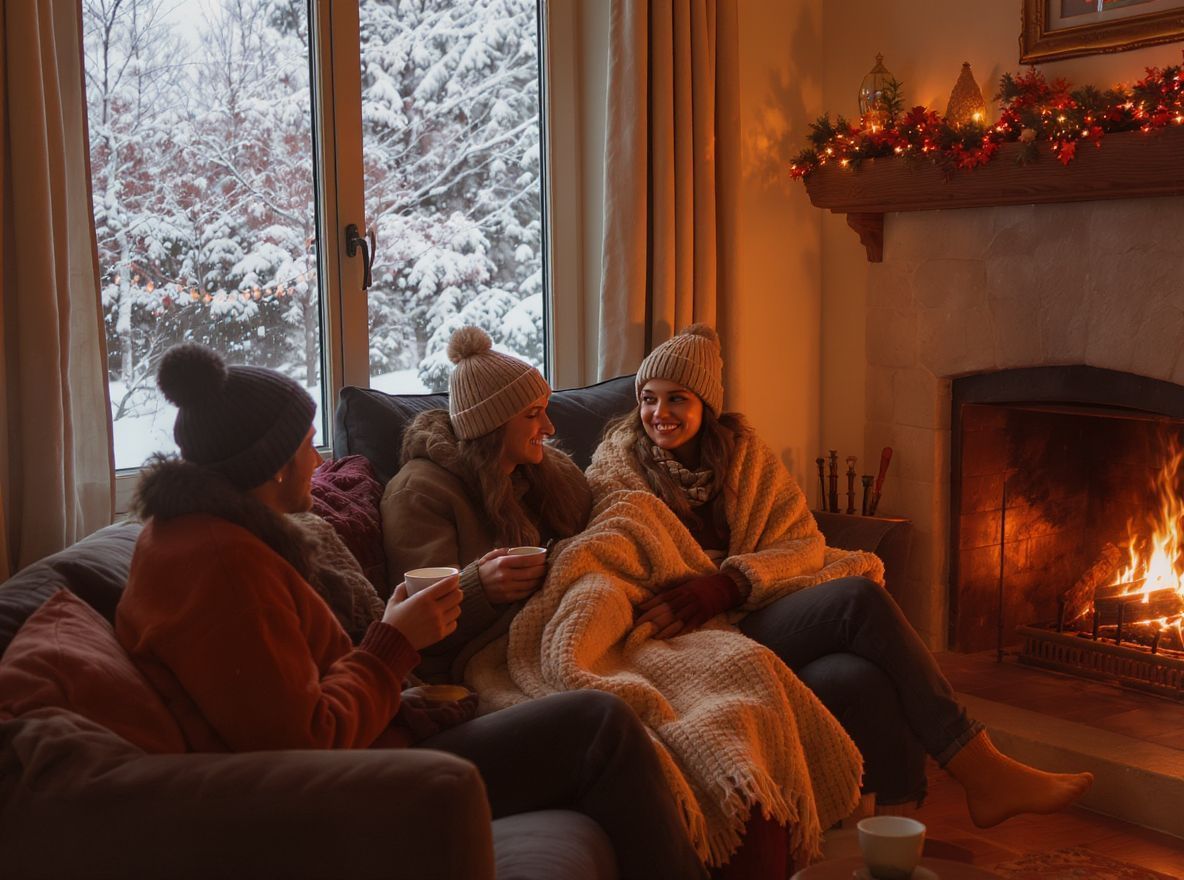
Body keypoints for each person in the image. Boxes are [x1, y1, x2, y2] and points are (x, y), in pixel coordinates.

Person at [114, 342, 705, 880]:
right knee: (598, 724)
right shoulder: (223, 567)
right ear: (271, 463)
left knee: (601, 716)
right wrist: (394, 642)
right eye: (306, 443)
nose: (319, 462)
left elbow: (303, 674)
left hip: (386, 726)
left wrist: (390, 631)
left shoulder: (211, 539)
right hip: (370, 775)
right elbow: (308, 739)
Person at [591, 323, 1094, 853]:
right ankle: (979, 766)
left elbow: (802, 543)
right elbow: (617, 550)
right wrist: (702, 588)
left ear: (707, 406)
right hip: (689, 637)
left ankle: (882, 842)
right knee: (858, 599)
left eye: (677, 399)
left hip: (743, 608)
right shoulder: (617, 467)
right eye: (648, 399)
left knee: (859, 675)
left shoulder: (746, 458)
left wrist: (731, 582)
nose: (658, 413)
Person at [381, 325, 592, 683]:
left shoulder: (548, 470)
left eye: (546, 410)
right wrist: (479, 589)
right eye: (532, 414)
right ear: (490, 426)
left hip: (566, 632)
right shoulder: (419, 493)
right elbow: (418, 629)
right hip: (484, 664)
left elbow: (599, 529)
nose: (550, 427)